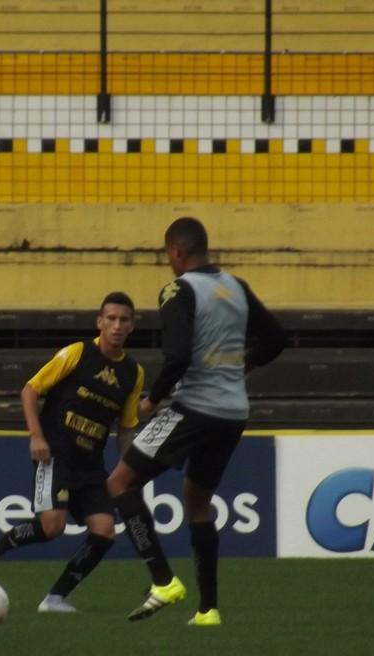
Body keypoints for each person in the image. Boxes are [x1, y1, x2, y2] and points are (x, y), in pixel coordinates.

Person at [106, 217, 285, 626]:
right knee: (198, 500)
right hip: (233, 413)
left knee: (119, 483)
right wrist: (243, 366)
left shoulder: (178, 289)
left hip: (194, 408)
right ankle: (208, 610)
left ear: (176, 251)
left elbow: (179, 355)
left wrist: (153, 398)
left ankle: (163, 581)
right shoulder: (236, 286)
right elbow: (276, 338)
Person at [0, 292, 145, 613]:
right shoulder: (78, 353)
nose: (117, 325)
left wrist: (128, 469)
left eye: (124, 320)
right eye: (111, 318)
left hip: (91, 464)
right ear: (99, 322)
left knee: (105, 531)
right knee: (52, 526)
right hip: (55, 454)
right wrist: (36, 436)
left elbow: (126, 428)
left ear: (132, 326)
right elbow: (30, 390)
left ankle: (55, 598)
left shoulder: (134, 373)